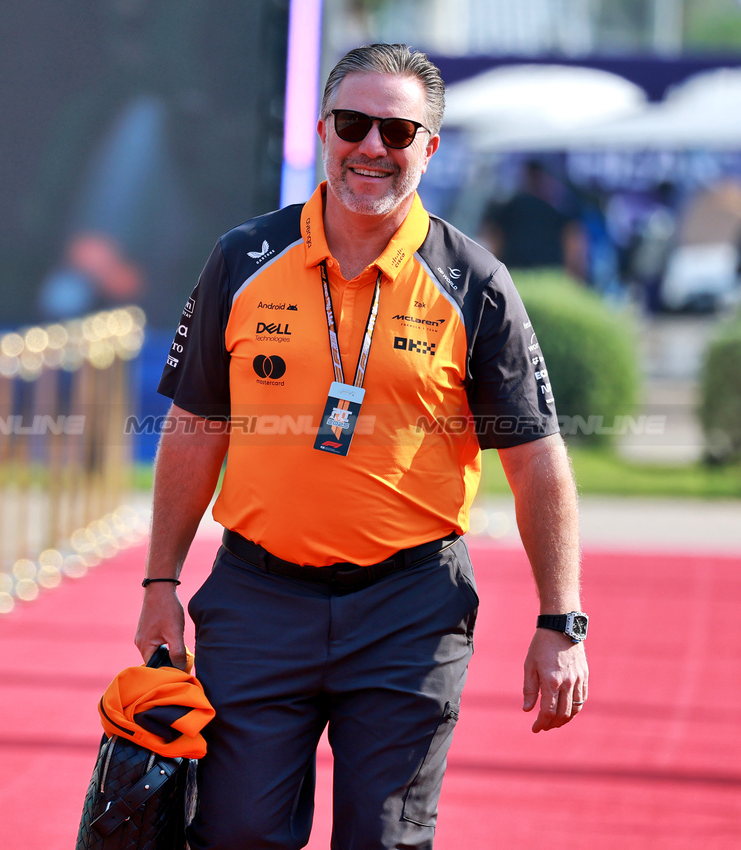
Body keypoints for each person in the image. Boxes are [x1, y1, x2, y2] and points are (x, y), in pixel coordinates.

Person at [135, 44, 589, 850]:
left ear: (429, 147)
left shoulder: (473, 281)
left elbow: (534, 458)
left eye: (397, 130)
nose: (372, 147)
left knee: (384, 840)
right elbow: (196, 425)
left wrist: (561, 621)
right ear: (322, 130)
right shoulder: (242, 258)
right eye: (353, 124)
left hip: (409, 610)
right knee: (233, 832)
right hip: (257, 597)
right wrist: (160, 581)